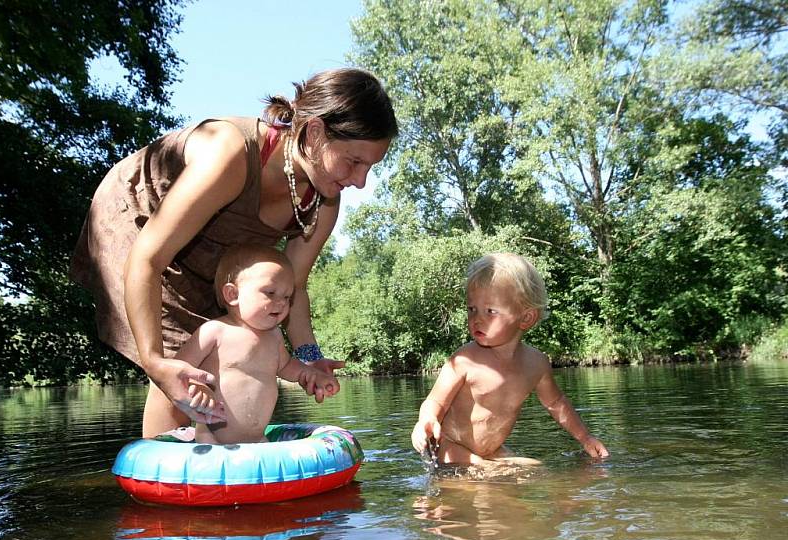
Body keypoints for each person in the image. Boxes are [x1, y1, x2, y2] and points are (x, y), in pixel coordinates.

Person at [70, 68, 398, 437]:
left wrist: (309, 359)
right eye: (354, 161)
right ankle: (164, 483)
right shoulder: (229, 153)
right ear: (316, 131)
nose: (360, 181)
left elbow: (296, 285)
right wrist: (155, 362)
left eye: (370, 167)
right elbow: (148, 257)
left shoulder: (323, 200)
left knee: (235, 338)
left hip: (216, 252)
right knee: (185, 361)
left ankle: (223, 463)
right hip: (140, 224)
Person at [411, 253, 609, 466]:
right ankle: (481, 471)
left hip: (491, 450)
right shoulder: (464, 361)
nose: (477, 318)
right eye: (472, 309)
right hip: (448, 447)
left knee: (536, 469)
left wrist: (585, 438)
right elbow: (436, 400)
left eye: (490, 311)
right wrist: (427, 420)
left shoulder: (536, 364)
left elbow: (556, 403)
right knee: (488, 471)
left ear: (526, 318)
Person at [175, 243, 338, 444]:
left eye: (287, 297)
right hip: (211, 438)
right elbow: (178, 369)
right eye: (270, 293)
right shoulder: (214, 332)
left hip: (258, 439)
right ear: (233, 295)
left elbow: (286, 366)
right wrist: (198, 387)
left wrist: (311, 374)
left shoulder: (275, 336)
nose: (281, 302)